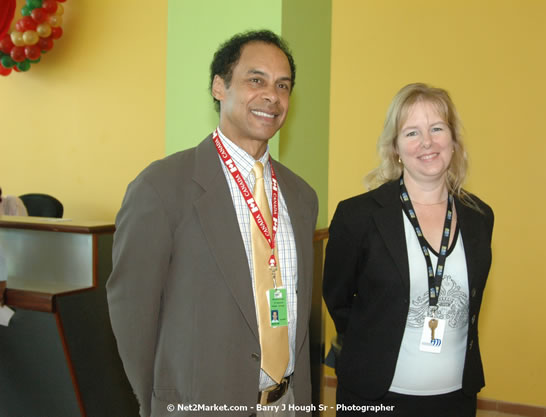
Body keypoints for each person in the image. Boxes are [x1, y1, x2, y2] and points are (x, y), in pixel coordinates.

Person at [107, 30, 318, 417]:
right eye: (256, 80)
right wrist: (161, 400)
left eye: (282, 85)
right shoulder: (162, 187)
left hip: (287, 404)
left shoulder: (301, 197)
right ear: (219, 86)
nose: (272, 95)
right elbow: (131, 312)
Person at [323, 83, 494, 417]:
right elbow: (338, 299)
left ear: (453, 140)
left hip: (456, 398)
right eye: (412, 132)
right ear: (395, 147)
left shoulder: (479, 217)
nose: (427, 142)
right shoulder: (358, 216)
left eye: (436, 129)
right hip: (374, 395)